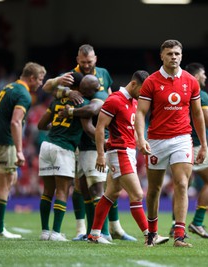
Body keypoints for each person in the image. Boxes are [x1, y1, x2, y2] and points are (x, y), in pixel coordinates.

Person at [43, 44, 135, 242]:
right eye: (83, 62)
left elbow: (110, 96)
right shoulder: (71, 76)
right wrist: (63, 88)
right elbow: (47, 87)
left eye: (89, 62)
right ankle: (84, 230)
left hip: (101, 137)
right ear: (77, 59)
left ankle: (111, 229)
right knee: (82, 187)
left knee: (107, 184)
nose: (86, 65)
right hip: (80, 140)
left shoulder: (103, 73)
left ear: (96, 59)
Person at [135, 39, 207, 247]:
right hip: (157, 140)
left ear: (181, 56)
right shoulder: (151, 82)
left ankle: (179, 235)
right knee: (155, 189)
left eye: (177, 54)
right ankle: (152, 232)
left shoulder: (191, 81)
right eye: (169, 54)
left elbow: (197, 114)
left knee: (182, 184)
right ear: (162, 56)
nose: (173, 57)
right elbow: (140, 112)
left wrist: (202, 143)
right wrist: (141, 138)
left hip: (182, 138)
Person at [87, 70, 169, 245]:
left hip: (128, 152)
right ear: (133, 84)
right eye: (142, 90)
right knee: (137, 194)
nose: (144, 94)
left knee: (111, 193)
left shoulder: (133, 102)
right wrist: (100, 154)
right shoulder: (114, 100)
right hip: (119, 152)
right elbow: (100, 127)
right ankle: (150, 235)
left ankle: (94, 234)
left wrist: (140, 141)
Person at [0, 62, 47, 238]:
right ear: (32, 78)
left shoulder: (9, 87)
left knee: (9, 179)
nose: (41, 84)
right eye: (40, 79)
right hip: (5, 142)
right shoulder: (23, 94)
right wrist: (19, 150)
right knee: (6, 182)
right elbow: (15, 122)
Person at [38, 73, 97, 241]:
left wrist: (55, 126)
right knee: (62, 191)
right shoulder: (83, 105)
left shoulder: (57, 101)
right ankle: (56, 233)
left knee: (47, 192)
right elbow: (87, 130)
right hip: (63, 148)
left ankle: (44, 232)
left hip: (47, 145)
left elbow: (41, 125)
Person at [169, 62, 208, 239]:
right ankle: (197, 223)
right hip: (195, 144)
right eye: (203, 74)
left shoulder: (177, 89)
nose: (205, 77)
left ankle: (174, 224)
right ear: (196, 76)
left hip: (178, 143)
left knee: (181, 184)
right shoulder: (201, 93)